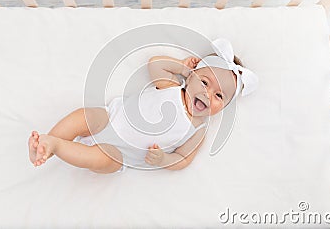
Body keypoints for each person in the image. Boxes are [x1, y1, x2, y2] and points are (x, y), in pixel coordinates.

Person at [27, 38, 258, 173]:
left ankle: (55, 147)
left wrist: (164, 160)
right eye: (205, 82)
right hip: (110, 118)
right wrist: (182, 67)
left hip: (120, 155)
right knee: (83, 116)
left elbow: (184, 159)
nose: (208, 95)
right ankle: (47, 144)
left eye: (219, 96)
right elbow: (155, 64)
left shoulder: (197, 131)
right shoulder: (171, 86)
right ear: (191, 77)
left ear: (225, 106)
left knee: (96, 160)